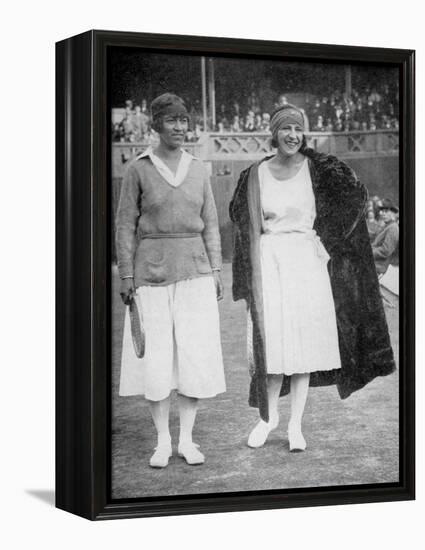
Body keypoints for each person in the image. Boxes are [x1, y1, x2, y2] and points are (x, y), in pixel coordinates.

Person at [229, 103, 395, 452]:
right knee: (272, 346)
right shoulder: (255, 174)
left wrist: (329, 238)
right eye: (286, 128)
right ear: (274, 133)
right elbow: (240, 220)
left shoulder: (318, 168)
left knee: (303, 347)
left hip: (307, 261)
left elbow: (355, 196)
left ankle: (295, 426)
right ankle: (267, 418)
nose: (293, 135)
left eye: (298, 129)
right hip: (270, 262)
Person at [116, 93, 226, 468]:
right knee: (158, 360)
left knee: (193, 356)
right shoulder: (138, 169)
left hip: (194, 270)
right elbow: (124, 225)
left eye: (184, 120)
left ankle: (187, 440)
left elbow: (211, 223)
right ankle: (162, 441)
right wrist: (127, 274)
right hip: (151, 273)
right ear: (156, 125)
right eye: (171, 121)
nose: (180, 128)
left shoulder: (199, 168)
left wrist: (215, 270)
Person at [372, 199, 399, 275]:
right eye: (382, 211)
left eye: (385, 211)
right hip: (373, 265)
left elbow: (385, 251)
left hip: (377, 269)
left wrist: (368, 253)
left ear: (393, 213)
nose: (382, 213)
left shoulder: (393, 228)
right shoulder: (388, 226)